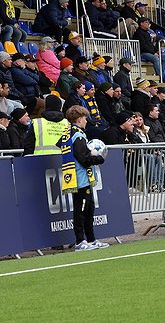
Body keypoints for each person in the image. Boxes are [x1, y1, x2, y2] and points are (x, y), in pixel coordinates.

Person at [59, 106, 108, 250]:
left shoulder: (68, 133)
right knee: (82, 211)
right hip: (81, 178)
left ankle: (91, 239)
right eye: (85, 118)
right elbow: (83, 158)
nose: (86, 121)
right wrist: (99, 159)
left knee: (87, 209)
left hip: (75, 177)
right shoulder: (78, 135)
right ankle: (80, 241)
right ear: (79, 119)